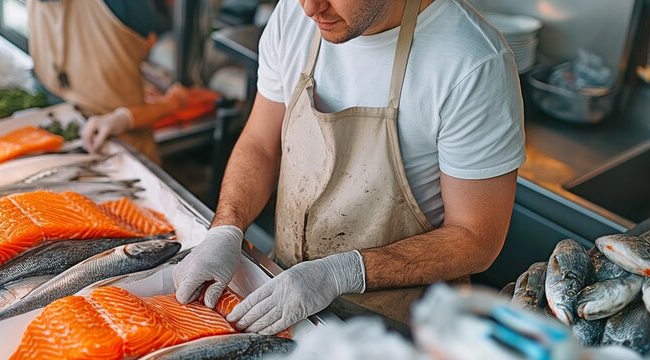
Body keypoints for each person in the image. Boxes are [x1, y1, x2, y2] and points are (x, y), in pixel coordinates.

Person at [174, 0, 526, 335]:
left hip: (403, 330)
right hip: (283, 298)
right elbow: (260, 145)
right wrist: (225, 228)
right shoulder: (294, 17)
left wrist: (340, 273)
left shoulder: (472, 63)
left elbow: (477, 238)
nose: (310, 9)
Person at [27, 0, 188, 162]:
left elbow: (153, 43)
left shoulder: (122, 5)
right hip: (55, 140)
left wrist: (126, 117)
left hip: (121, 152)